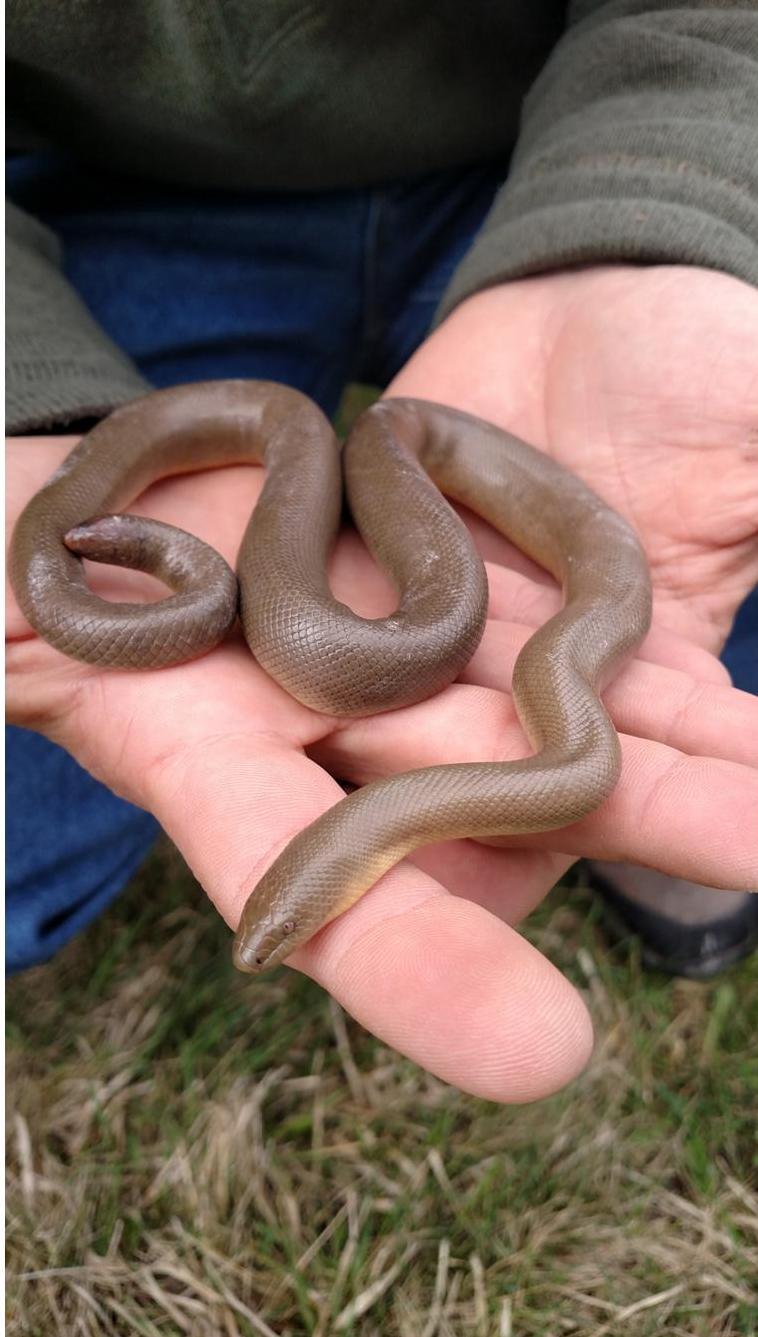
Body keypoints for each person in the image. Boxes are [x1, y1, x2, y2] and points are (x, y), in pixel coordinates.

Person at [6, 3, 758, 1103]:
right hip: (110, 190)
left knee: (685, 699)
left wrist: (668, 200)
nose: (264, 951)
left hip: (533, 140)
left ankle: (633, 826)